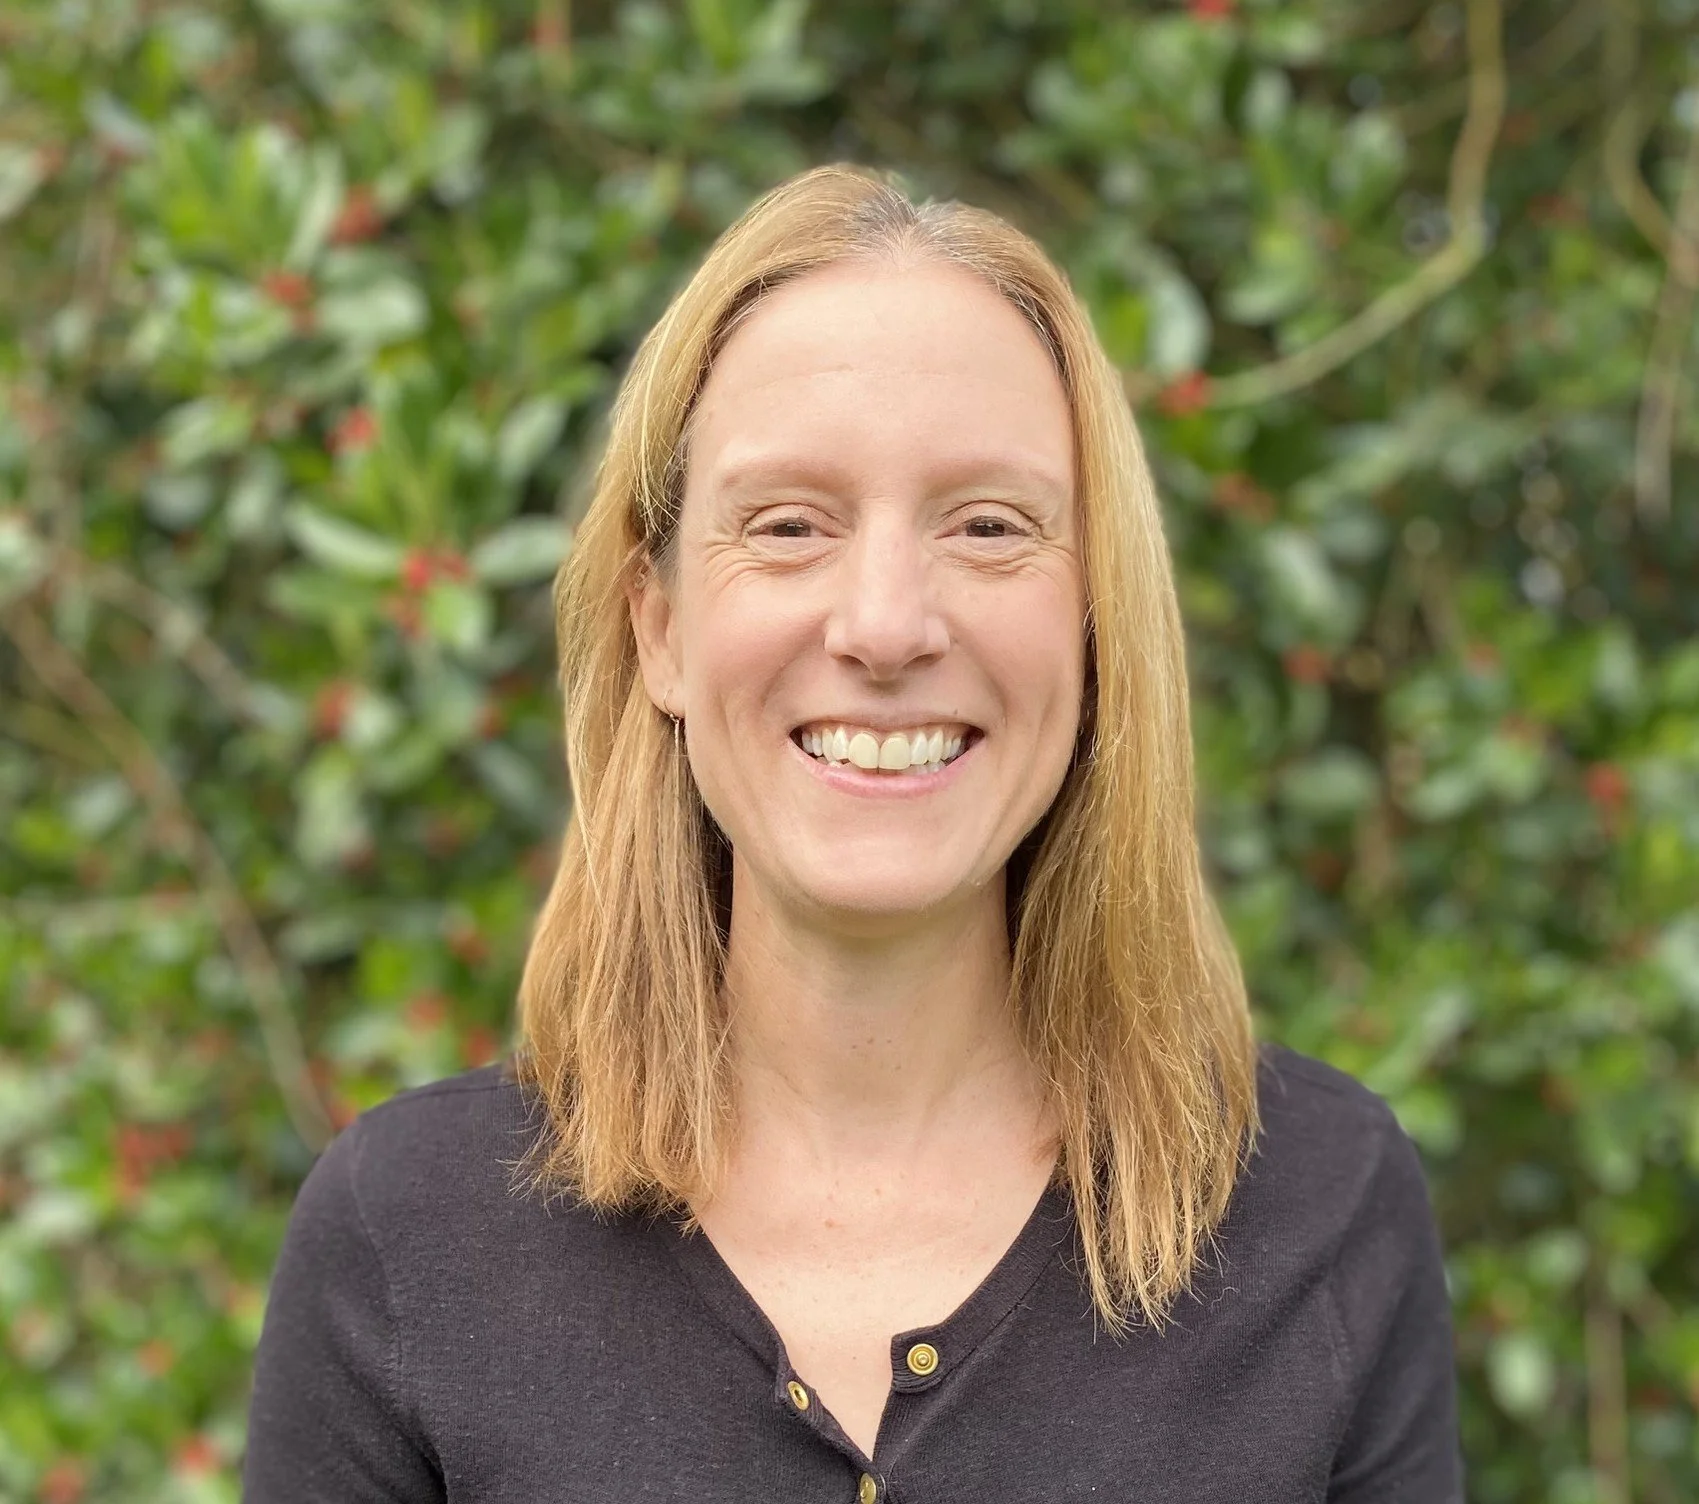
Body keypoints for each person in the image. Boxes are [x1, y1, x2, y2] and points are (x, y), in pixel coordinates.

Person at [243, 164, 1463, 1502]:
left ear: (1094, 622)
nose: (885, 625)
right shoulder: (407, 1243)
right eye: (787, 526)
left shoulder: (1321, 1206)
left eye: (987, 526)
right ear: (659, 628)